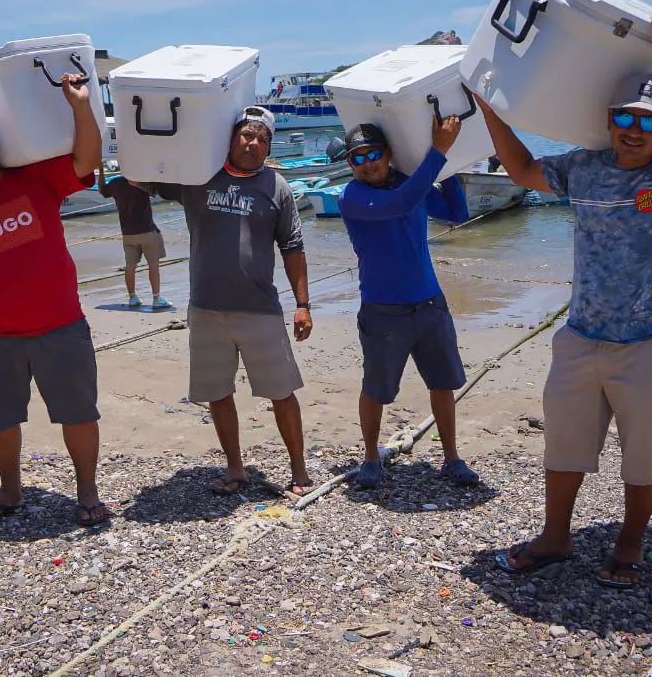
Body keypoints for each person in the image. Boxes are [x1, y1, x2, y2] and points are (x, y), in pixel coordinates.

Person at [478, 15, 652, 589]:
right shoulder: (585, 169)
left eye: (648, 121)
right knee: (564, 443)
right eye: (624, 117)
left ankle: (630, 540)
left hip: (651, 341)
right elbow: (521, 170)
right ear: (609, 121)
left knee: (643, 453)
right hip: (582, 335)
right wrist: (492, 110)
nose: (633, 129)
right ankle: (555, 536)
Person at [0, 74, 110, 526]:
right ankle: (10, 491)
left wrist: (81, 106)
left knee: (79, 413)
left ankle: (87, 492)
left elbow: (88, 159)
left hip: (62, 328)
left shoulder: (35, 179)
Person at [151, 106, 315, 496]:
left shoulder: (277, 187)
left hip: (260, 310)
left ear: (268, 147)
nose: (253, 143)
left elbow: (293, 246)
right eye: (246, 135)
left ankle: (299, 471)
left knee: (282, 393)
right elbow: (146, 175)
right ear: (230, 138)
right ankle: (235, 468)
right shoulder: (198, 178)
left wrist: (303, 303)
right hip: (206, 309)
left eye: (262, 139)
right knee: (218, 394)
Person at [338, 117, 480, 489]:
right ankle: (370, 458)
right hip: (383, 310)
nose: (368, 162)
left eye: (374, 153)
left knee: (443, 383)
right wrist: (437, 153)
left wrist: (448, 165)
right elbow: (399, 205)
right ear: (350, 165)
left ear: (389, 154)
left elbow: (455, 213)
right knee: (376, 388)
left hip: (430, 305)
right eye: (358, 158)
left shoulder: (407, 185)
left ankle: (452, 457)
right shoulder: (352, 197)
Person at [97, 165, 171, 309]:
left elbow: (102, 190)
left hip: (128, 233)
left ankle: (132, 297)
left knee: (130, 266)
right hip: (147, 230)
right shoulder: (141, 181)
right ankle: (156, 298)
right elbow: (158, 189)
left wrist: (100, 171)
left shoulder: (116, 183)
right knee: (153, 264)